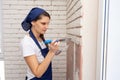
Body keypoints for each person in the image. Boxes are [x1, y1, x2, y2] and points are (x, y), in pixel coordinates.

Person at [20, 7, 60, 80]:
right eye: (43, 23)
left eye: (48, 24)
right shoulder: (27, 42)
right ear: (33, 22)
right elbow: (37, 73)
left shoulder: (40, 37)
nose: (46, 27)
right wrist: (51, 52)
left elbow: (42, 57)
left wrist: (53, 50)